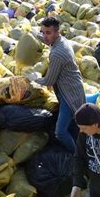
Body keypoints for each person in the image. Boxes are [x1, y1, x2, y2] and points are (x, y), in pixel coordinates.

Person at [28, 17, 86, 153]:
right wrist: (34, 33)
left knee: (60, 132)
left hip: (70, 95)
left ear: (57, 32)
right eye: (43, 32)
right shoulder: (61, 41)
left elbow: (49, 81)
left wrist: (34, 78)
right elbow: (47, 40)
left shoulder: (57, 53)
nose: (45, 36)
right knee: (73, 125)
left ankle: (77, 155)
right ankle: (81, 148)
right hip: (70, 88)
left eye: (48, 32)